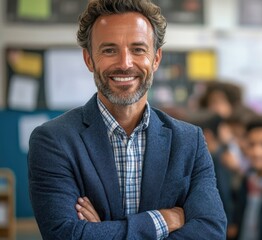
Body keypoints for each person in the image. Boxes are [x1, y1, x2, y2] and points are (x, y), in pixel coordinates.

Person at [27, 0, 226, 239]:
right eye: (109, 50)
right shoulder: (54, 140)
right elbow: (65, 234)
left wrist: (100, 230)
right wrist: (162, 220)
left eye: (138, 49)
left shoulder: (189, 141)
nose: (125, 63)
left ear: (156, 58)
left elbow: (211, 232)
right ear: (89, 59)